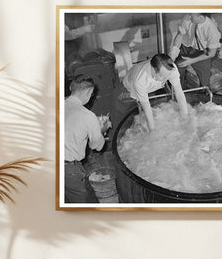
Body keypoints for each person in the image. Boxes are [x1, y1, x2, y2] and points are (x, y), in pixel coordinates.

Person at [112, 53, 188, 133]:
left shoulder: (170, 69)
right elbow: (147, 108)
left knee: (151, 116)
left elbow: (179, 93)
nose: (166, 78)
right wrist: (152, 132)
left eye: (167, 76)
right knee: (121, 124)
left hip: (148, 89)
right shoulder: (140, 79)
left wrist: (186, 117)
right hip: (126, 93)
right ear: (153, 69)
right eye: (163, 76)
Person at [64, 74, 110, 203]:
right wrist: (101, 129)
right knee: (86, 206)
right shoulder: (87, 115)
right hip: (67, 169)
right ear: (90, 92)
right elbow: (97, 146)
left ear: (70, 87)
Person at [171, 13, 221, 89]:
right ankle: (177, 92)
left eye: (192, 15)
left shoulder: (212, 29)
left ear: (200, 17)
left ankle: (204, 96)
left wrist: (191, 61)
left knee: (204, 82)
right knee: (177, 69)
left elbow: (211, 54)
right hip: (186, 47)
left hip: (202, 53)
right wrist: (173, 55)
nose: (190, 16)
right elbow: (180, 36)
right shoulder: (188, 18)